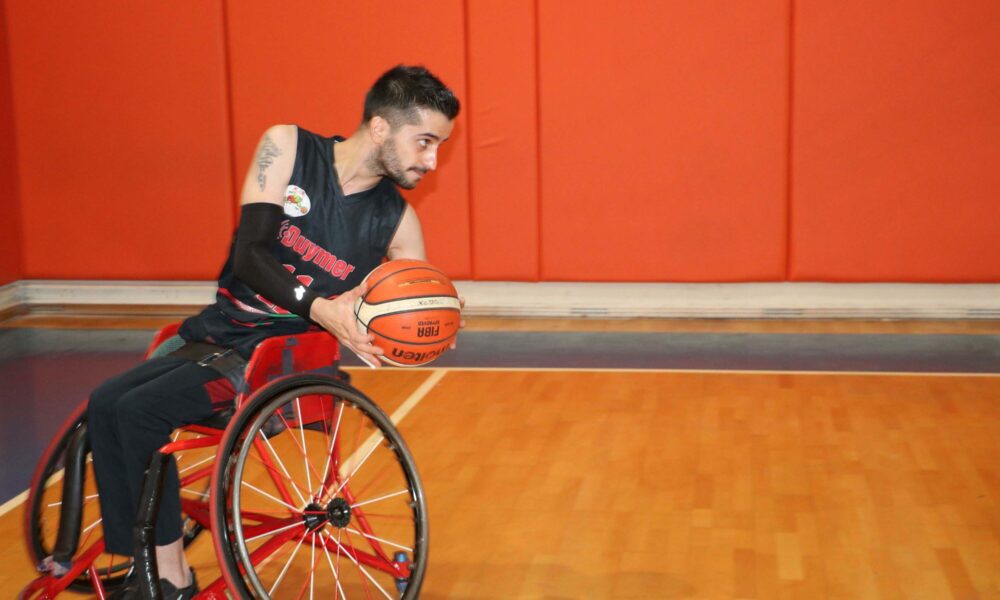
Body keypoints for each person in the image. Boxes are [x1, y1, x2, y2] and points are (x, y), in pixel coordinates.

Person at [74, 65, 459, 599]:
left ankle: (168, 577)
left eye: (438, 146)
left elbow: (412, 305)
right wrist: (320, 305)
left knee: (139, 411)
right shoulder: (288, 147)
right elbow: (249, 255)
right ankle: (146, 562)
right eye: (424, 141)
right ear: (379, 128)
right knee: (105, 403)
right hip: (219, 331)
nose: (431, 160)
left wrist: (431, 326)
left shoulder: (396, 223)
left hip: (282, 360)